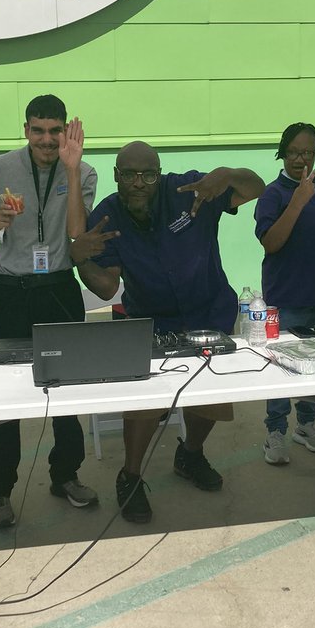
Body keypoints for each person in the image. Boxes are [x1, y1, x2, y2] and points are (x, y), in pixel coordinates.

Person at [72, 141, 264, 523]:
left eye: (148, 174)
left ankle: (190, 454)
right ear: (117, 175)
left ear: (159, 174)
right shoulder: (108, 214)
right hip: (153, 323)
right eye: (130, 174)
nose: (139, 182)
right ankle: (129, 476)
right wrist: (79, 261)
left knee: (209, 397)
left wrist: (227, 174)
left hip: (210, 312)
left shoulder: (191, 189)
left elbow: (255, 187)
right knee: (144, 404)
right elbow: (108, 288)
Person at [0, 93, 98, 527]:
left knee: (67, 390)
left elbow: (75, 234)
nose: (47, 140)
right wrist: (0, 223)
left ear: (65, 130)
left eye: (55, 131)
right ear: (26, 130)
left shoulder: (82, 170)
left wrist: (69, 168)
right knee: (4, 394)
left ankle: (65, 475)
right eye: (38, 131)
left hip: (59, 289)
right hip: (11, 290)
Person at [254, 122, 315, 464]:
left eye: (307, 152)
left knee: (313, 366)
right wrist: (297, 202)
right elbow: (271, 242)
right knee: (281, 369)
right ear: (283, 153)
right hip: (285, 299)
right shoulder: (273, 193)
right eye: (293, 152)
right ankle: (275, 432)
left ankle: (306, 425)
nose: (300, 158)